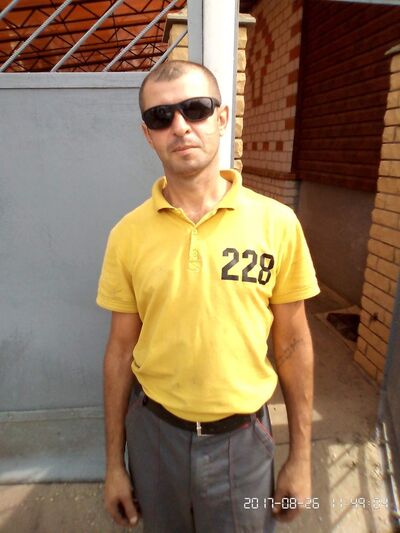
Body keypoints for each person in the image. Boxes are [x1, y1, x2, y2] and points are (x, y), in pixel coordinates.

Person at [96, 59, 320, 532]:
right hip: (154, 436)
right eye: (161, 117)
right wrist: (114, 463)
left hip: (244, 441)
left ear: (221, 117)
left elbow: (294, 343)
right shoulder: (126, 235)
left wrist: (301, 457)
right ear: (148, 134)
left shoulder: (277, 224)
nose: (180, 126)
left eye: (195, 109)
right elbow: (119, 351)